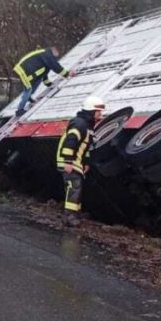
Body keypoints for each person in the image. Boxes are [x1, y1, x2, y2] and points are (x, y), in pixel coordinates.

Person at [57, 95, 105, 226]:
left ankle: (75, 213)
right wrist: (68, 161)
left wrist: (86, 162)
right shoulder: (80, 124)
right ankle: (69, 217)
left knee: (76, 187)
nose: (101, 114)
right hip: (69, 161)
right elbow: (70, 142)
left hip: (76, 162)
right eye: (98, 111)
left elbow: (85, 147)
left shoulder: (86, 126)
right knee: (74, 187)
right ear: (91, 111)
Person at [13, 46, 70, 116]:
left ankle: (28, 97)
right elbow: (56, 67)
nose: (56, 58)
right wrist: (67, 74)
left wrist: (49, 84)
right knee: (28, 88)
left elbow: (44, 73)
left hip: (29, 71)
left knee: (38, 80)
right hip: (22, 70)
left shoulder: (46, 57)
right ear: (54, 51)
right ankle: (19, 110)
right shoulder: (47, 55)